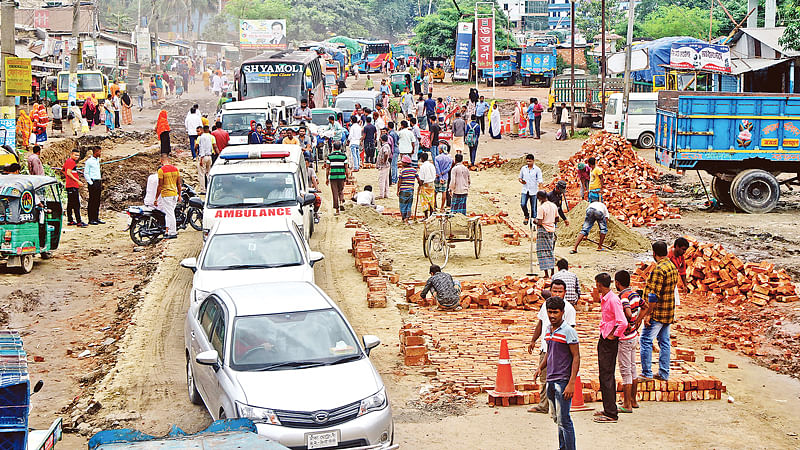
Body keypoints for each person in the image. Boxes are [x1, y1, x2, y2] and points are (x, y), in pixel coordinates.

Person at [534, 297, 580, 450]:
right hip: (551, 380)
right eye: (550, 312)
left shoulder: (569, 331)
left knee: (565, 420)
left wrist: (572, 383)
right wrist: (540, 367)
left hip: (563, 380)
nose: (552, 315)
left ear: (562, 312)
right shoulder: (548, 330)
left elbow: (576, 357)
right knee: (557, 419)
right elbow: (549, 351)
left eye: (556, 312)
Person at [527, 280, 576, 414]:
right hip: (546, 347)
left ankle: (559, 406)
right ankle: (545, 405)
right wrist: (533, 340)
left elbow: (571, 337)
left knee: (558, 380)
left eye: (560, 291)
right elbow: (540, 323)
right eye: (554, 291)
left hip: (561, 352)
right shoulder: (546, 306)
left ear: (565, 292)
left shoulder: (569, 310)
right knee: (544, 378)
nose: (557, 294)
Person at [640, 240, 679, 381]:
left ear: (654, 253)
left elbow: (653, 296)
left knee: (645, 340)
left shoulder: (658, 269)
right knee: (664, 342)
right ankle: (663, 372)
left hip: (657, 312)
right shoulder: (672, 267)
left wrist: (647, 314)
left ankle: (646, 373)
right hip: (668, 312)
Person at [592, 272, 627, 423]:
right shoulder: (605, 298)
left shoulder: (613, 300)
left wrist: (614, 334)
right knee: (604, 374)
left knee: (607, 375)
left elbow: (623, 322)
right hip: (605, 336)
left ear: (599, 285)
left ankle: (611, 413)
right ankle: (608, 408)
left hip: (609, 340)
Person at [615, 270, 643, 414]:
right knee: (633, 368)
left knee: (626, 371)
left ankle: (627, 404)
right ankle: (633, 400)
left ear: (617, 283)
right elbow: (645, 307)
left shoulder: (623, 297)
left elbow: (626, 312)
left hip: (625, 338)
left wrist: (627, 323)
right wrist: (637, 321)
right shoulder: (635, 294)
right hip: (634, 335)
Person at [155, 154, 181, 239]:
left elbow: (160, 185)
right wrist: (179, 195)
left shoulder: (161, 170)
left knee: (170, 214)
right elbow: (179, 184)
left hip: (166, 194)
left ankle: (172, 232)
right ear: (168, 160)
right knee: (170, 213)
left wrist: (156, 198)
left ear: (161, 161)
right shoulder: (175, 169)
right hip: (174, 194)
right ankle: (169, 231)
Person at [535, 190, 558, 278]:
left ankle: (546, 274)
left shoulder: (541, 208)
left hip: (543, 230)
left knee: (542, 252)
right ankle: (552, 272)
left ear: (540, 198)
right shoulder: (553, 206)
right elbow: (557, 219)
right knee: (550, 251)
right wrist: (550, 222)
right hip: (551, 230)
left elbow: (540, 222)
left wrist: (535, 221)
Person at [62, 149, 86, 227]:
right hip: (72, 185)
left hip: (70, 185)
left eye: (78, 155)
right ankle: (79, 221)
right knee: (76, 204)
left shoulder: (68, 161)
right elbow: (68, 172)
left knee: (70, 204)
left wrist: (68, 177)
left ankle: (70, 220)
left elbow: (63, 171)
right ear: (71, 154)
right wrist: (77, 181)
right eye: (75, 155)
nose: (77, 157)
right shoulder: (71, 162)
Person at [326, 142, 349, 216]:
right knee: (341, 190)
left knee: (335, 193)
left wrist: (327, 178)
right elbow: (346, 168)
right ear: (340, 148)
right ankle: (341, 202)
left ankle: (337, 210)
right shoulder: (343, 156)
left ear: (333, 148)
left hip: (333, 176)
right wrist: (347, 177)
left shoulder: (330, 156)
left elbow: (327, 168)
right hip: (341, 176)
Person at [519, 154, 543, 226]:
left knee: (534, 208)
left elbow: (540, 181)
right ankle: (526, 215)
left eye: (530, 161)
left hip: (533, 191)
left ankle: (533, 222)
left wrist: (540, 191)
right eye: (527, 161)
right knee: (523, 204)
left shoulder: (537, 170)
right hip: (525, 190)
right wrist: (521, 181)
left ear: (533, 161)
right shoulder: (523, 168)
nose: (528, 163)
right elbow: (519, 178)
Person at [668, 237, 690, 308]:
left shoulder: (681, 257)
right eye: (683, 249)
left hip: (673, 282)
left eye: (685, 250)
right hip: (665, 282)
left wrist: (685, 285)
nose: (684, 252)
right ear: (677, 247)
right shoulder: (668, 256)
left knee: (673, 304)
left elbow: (682, 272)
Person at [84, 147, 104, 225]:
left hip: (98, 181)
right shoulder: (89, 161)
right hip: (93, 182)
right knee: (92, 201)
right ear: (95, 152)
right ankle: (91, 219)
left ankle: (96, 217)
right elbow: (86, 173)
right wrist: (90, 182)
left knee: (97, 201)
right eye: (99, 151)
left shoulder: (97, 160)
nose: (100, 153)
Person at [397, 155, 416, 223]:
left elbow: (400, 181)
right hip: (410, 190)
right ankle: (407, 218)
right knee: (409, 204)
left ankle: (403, 217)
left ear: (405, 163)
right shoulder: (414, 170)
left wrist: (398, 190)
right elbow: (418, 178)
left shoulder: (402, 171)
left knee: (402, 204)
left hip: (403, 190)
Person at [417, 152, 436, 217]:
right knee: (431, 199)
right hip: (432, 183)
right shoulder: (431, 165)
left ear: (422, 159)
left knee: (424, 200)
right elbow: (434, 174)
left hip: (425, 184)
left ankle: (426, 216)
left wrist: (419, 184)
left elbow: (422, 178)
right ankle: (431, 214)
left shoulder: (423, 167)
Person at [434, 145, 453, 210]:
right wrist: (443, 173)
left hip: (437, 177)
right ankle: (442, 207)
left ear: (441, 150)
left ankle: (434, 206)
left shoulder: (437, 158)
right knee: (444, 192)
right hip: (445, 177)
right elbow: (449, 168)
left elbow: (437, 167)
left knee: (435, 192)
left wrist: (439, 175)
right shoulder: (450, 159)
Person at [376, 134, 392, 199]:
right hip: (386, 165)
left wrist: (384, 161)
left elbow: (386, 153)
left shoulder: (385, 146)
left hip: (383, 166)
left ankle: (381, 194)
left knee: (381, 180)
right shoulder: (387, 145)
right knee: (386, 180)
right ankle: (386, 194)